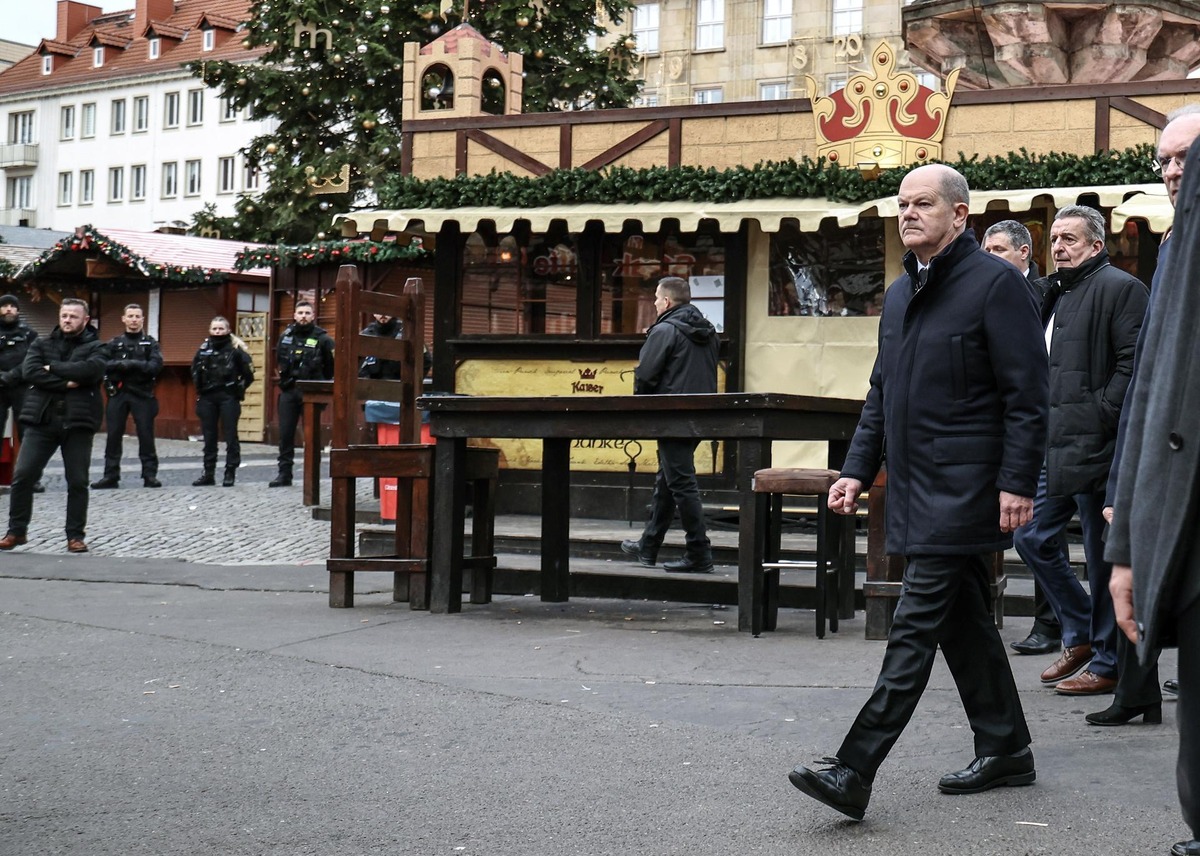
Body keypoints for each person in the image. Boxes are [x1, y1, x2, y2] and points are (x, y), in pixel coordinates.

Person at [788, 164, 1048, 821]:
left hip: (965, 485)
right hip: (912, 485)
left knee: (912, 629)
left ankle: (855, 766)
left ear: (960, 215)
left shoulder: (997, 285)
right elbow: (883, 391)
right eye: (902, 204)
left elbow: (1028, 395)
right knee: (964, 626)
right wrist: (854, 468)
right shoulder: (903, 292)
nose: (908, 213)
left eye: (923, 203)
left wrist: (1018, 480)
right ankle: (1007, 748)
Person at [1106, 132, 1200, 856]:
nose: (1173, 170)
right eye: (1164, 159)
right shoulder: (1174, 246)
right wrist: (1127, 524)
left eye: (1186, 157)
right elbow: (1148, 392)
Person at [1010, 206, 1146, 699]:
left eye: (1071, 239)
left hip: (1099, 445)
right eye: (1056, 240)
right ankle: (1083, 631)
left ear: (1095, 245)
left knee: (1101, 555)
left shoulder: (1120, 288)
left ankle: (1108, 661)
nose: (1060, 247)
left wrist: (1101, 412)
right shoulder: (1050, 292)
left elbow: (1134, 364)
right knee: (1029, 535)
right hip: (1052, 444)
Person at [982, 219, 1061, 656]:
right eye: (985, 249)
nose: (988, 257)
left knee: (1037, 532)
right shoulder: (986, 291)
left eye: (996, 250)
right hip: (999, 430)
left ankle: (1053, 623)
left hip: (1043, 429)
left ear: (1024, 253)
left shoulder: (1047, 292)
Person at [619, 276, 719, 574]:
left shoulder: (664, 330)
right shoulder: (709, 332)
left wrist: (643, 408)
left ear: (667, 301)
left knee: (681, 484)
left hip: (671, 416)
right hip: (700, 417)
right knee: (669, 479)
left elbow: (646, 375)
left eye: (656, 298)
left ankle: (699, 552)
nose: (653, 303)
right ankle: (648, 546)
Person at [0, 298, 106, 554]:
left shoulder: (97, 346)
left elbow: (91, 371)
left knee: (78, 481)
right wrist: (64, 382)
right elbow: (31, 371)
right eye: (64, 315)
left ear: (85, 320)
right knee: (23, 475)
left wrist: (54, 368)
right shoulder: (41, 342)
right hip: (42, 419)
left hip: (78, 421)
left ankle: (75, 536)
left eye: (73, 316)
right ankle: (16, 531)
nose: (67, 320)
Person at [91, 304, 164, 489]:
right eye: (130, 316)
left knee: (146, 435)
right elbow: (103, 364)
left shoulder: (151, 343)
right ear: (123, 319)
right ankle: (110, 475)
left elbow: (155, 366)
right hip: (119, 393)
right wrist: (127, 366)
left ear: (142, 319)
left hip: (142, 394)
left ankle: (149, 475)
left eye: (137, 316)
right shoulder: (114, 343)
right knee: (113, 435)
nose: (133, 319)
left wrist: (129, 364)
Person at [270, 301, 333, 488]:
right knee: (285, 433)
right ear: (295, 315)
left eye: (307, 312)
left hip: (312, 392)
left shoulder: (323, 339)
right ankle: (284, 474)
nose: (304, 316)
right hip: (289, 390)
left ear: (313, 316)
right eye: (300, 312)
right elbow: (279, 360)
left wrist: (322, 384)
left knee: (311, 436)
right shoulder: (286, 336)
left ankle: (311, 476)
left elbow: (332, 364)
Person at [191, 317, 254, 487]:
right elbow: (195, 371)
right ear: (210, 330)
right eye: (215, 329)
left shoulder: (236, 351)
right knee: (209, 436)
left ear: (227, 330)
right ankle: (208, 473)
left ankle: (230, 471)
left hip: (228, 396)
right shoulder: (203, 349)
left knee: (230, 435)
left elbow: (249, 375)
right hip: (207, 397)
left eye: (221, 329)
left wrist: (237, 390)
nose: (217, 332)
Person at [0, 293, 44, 494]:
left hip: (22, 387)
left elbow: (33, 360)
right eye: (5, 306)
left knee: (28, 434)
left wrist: (12, 376)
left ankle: (31, 478)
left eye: (12, 306)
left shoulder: (29, 334)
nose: (9, 309)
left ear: (18, 310)